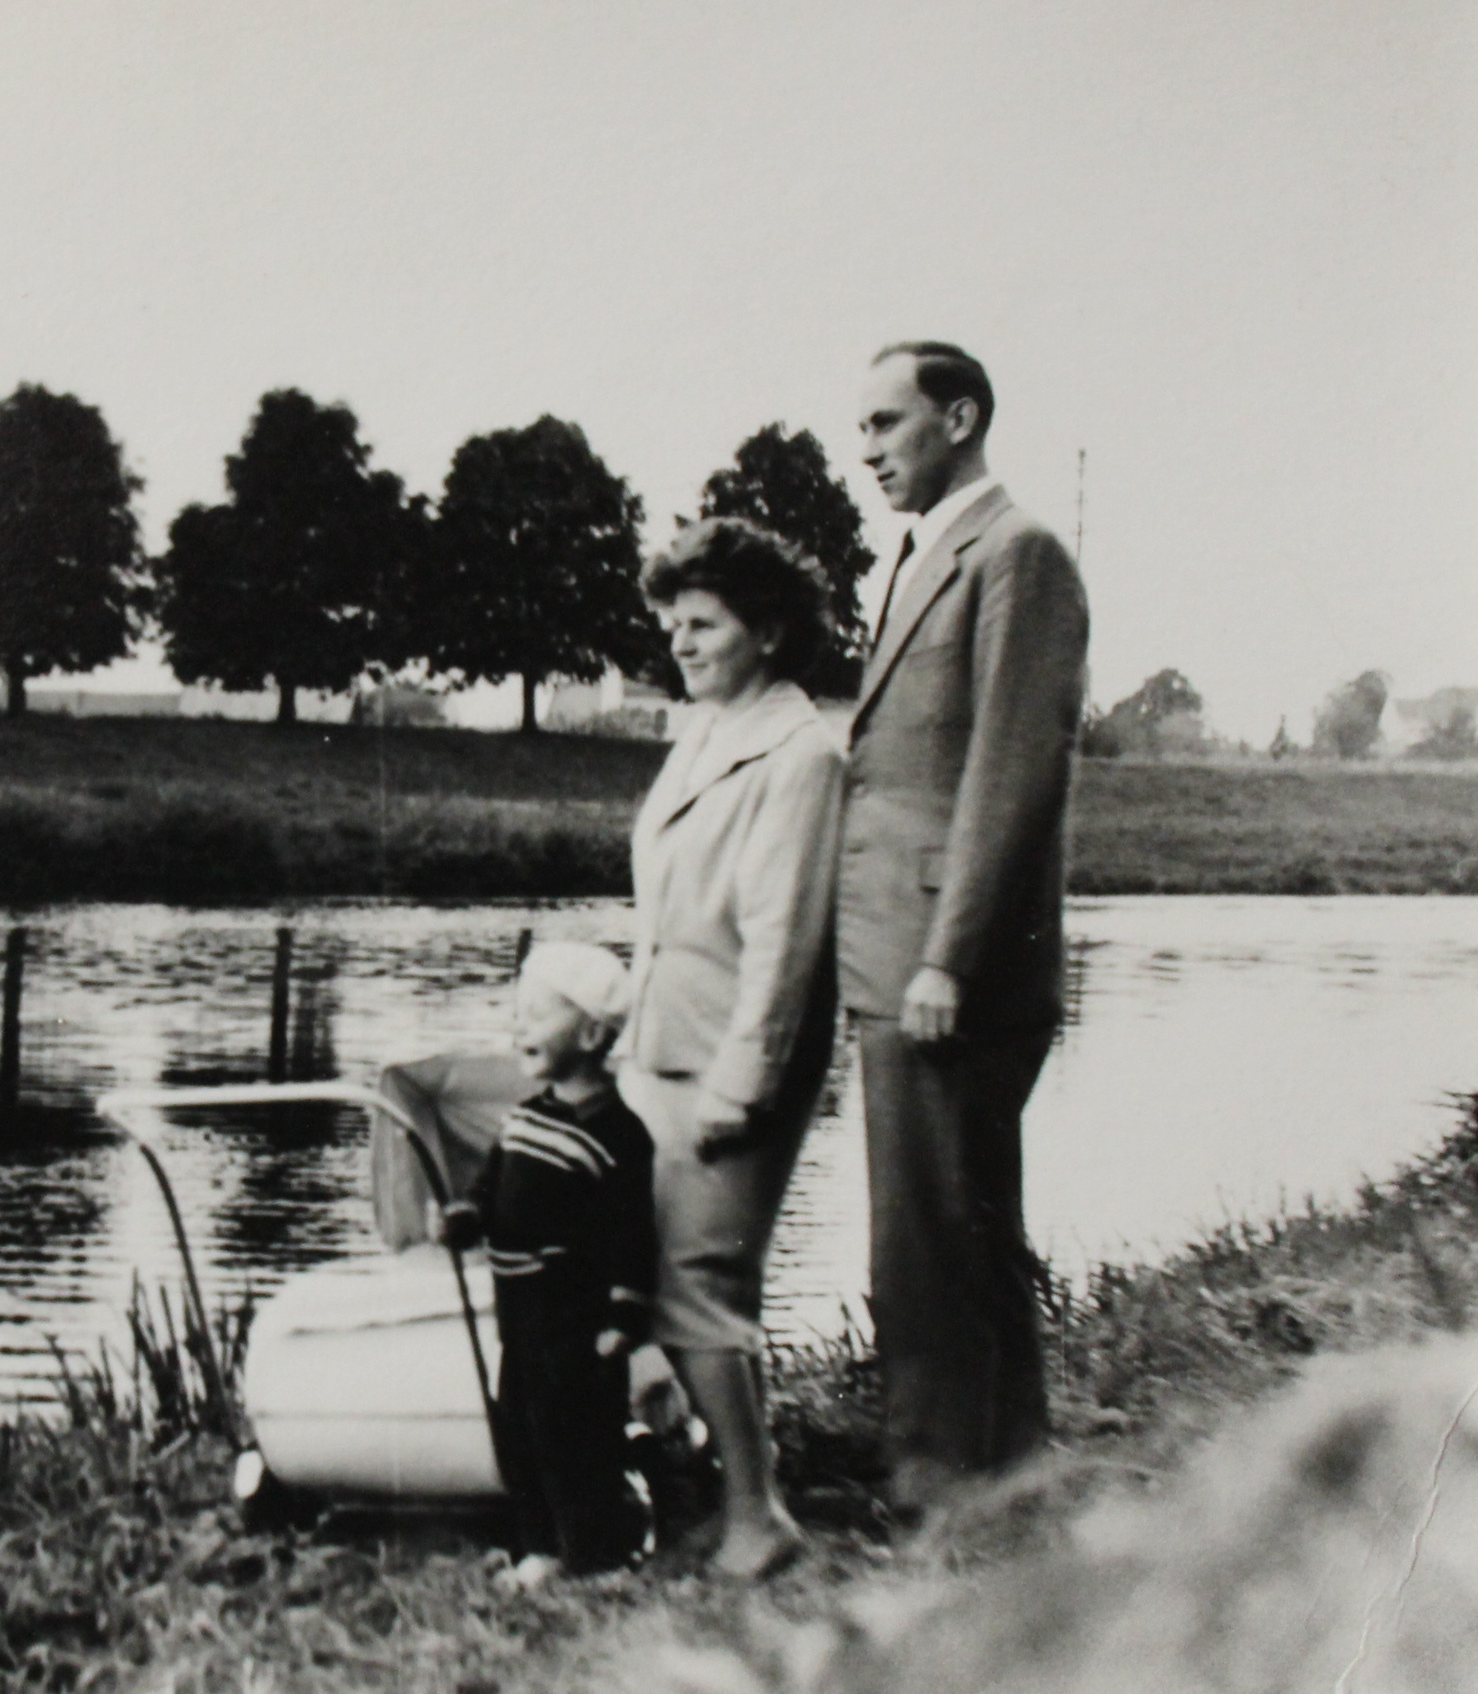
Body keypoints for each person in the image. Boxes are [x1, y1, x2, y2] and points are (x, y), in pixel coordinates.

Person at [843, 342, 1089, 1515]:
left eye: (886, 423)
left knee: (940, 1226)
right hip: (893, 950)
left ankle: (952, 1481)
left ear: (960, 417)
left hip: (948, 962)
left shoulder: (1018, 553)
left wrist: (946, 954)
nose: (868, 450)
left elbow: (1011, 768)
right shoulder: (921, 558)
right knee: (936, 1221)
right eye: (863, 427)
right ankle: (996, 1469)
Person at [618, 517, 843, 1581]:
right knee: (679, 1283)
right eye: (673, 623)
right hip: (659, 1046)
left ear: (769, 630)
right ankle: (715, 1502)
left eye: (703, 623)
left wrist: (743, 1084)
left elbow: (783, 940)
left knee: (699, 1287)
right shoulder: (705, 732)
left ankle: (759, 1517)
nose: (681, 641)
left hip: (728, 1060)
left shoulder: (800, 754)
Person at [440, 942, 656, 1585]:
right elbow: (490, 1190)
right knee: (521, 1434)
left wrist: (625, 1313)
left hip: (575, 1324)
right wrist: (465, 1218)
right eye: (518, 1014)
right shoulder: (523, 1118)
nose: (520, 1027)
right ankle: (542, 1548)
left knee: (578, 1440)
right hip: (520, 1318)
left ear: (590, 1034)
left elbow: (632, 1232)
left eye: (536, 1015)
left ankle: (600, 1555)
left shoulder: (619, 1134)